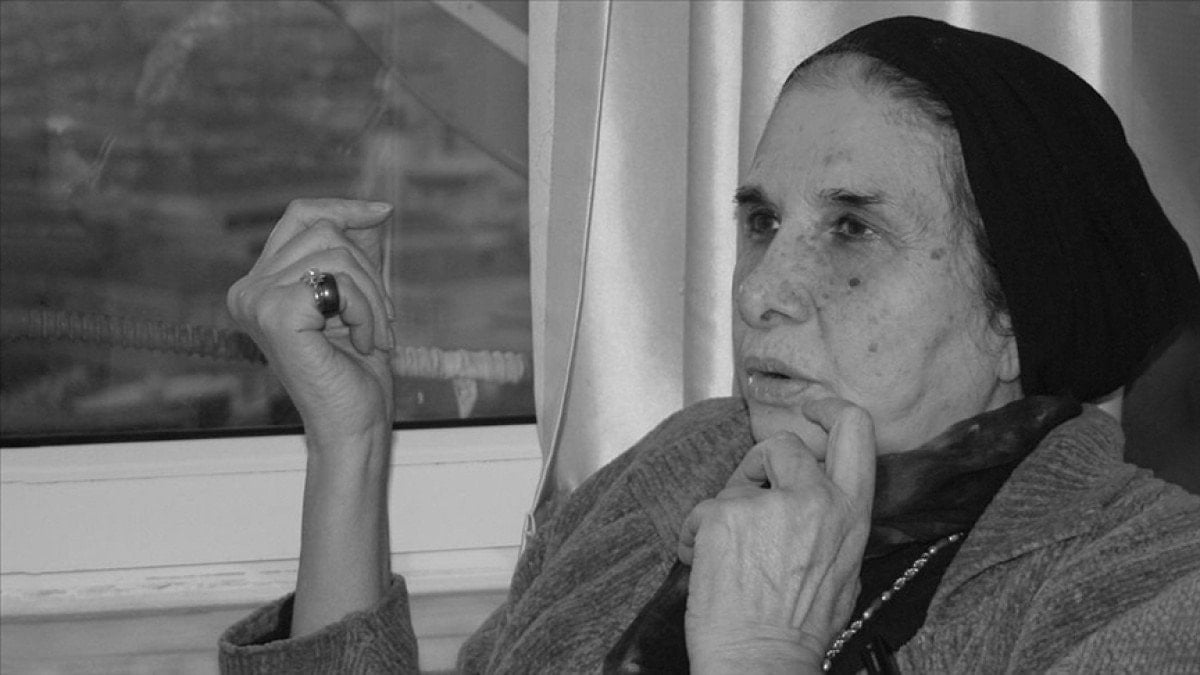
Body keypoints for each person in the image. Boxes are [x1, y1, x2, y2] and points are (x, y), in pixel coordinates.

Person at [219, 16, 1200, 674]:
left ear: (1012, 313)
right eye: (763, 222)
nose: (761, 291)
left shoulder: (1149, 584)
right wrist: (350, 447)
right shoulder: (675, 471)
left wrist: (761, 653)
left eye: (851, 228)